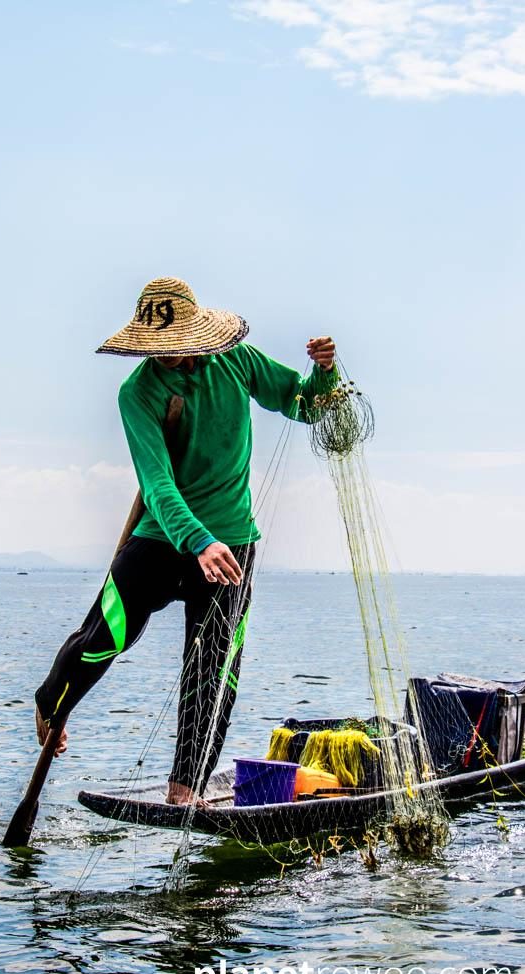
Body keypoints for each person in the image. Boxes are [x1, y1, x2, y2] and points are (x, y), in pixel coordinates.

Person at [34, 277, 337, 805]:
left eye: (176, 342)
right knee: (105, 637)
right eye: (158, 346)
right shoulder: (139, 393)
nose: (169, 354)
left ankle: (185, 785)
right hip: (161, 540)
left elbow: (305, 405)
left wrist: (325, 371)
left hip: (232, 546)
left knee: (214, 668)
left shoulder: (236, 361)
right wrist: (196, 539)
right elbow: (157, 484)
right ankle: (50, 703)